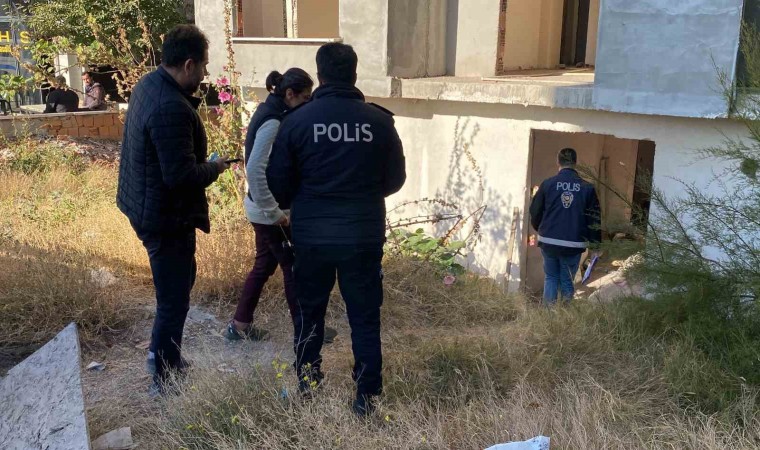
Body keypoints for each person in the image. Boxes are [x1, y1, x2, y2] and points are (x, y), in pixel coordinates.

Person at [267, 42, 406, 417]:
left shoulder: (297, 122)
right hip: (362, 236)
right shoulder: (379, 122)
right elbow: (395, 180)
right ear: (354, 74)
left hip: (312, 238)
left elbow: (278, 185)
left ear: (320, 75)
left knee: (309, 315)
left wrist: (306, 198)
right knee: (364, 317)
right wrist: (362, 194)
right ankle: (366, 398)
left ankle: (308, 386)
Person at [116, 24, 230, 395]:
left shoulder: (150, 84)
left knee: (179, 284)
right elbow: (181, 177)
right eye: (204, 66)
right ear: (188, 64)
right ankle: (165, 375)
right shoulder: (171, 107)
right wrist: (215, 167)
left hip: (146, 205)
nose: (205, 74)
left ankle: (163, 355)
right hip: (165, 217)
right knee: (174, 299)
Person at [225, 68, 318, 341]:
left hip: (263, 209)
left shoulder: (272, 110)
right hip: (269, 213)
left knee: (264, 265)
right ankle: (306, 332)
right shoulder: (273, 121)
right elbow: (254, 169)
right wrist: (273, 212)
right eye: (305, 97)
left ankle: (239, 326)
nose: (308, 103)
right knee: (293, 267)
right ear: (289, 94)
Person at [529, 148, 601, 305]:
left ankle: (548, 315)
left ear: (558, 161)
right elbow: (594, 219)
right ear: (575, 163)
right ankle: (564, 315)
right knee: (567, 280)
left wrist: (542, 229)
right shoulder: (587, 188)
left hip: (549, 241)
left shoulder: (547, 184)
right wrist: (595, 244)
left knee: (551, 277)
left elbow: (534, 211)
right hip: (573, 243)